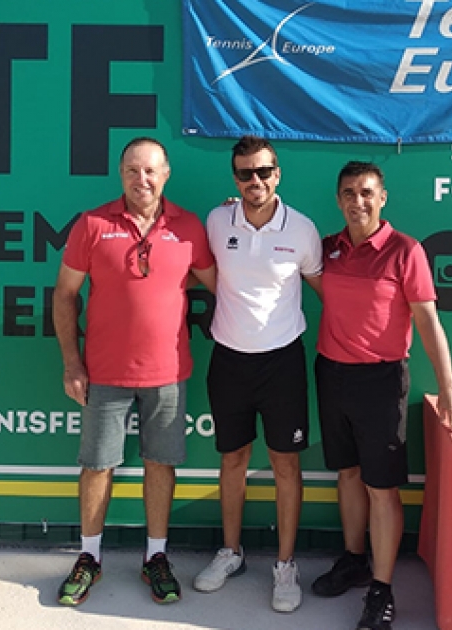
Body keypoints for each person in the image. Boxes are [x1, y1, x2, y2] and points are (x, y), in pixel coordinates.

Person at [53, 137, 216, 607]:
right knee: (97, 466)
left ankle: (156, 557)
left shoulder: (189, 228)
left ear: (166, 174)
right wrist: (71, 361)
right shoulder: (93, 224)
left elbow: (226, 284)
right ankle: (88, 557)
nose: (141, 180)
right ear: (120, 174)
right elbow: (65, 295)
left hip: (168, 373)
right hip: (103, 373)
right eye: (131, 171)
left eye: (150, 171)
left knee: (160, 465)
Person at [312, 161, 452, 630]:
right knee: (348, 473)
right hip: (330, 373)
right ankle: (355, 559)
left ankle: (382, 589)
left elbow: (427, 322)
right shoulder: (327, 249)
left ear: (383, 199)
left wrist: (450, 388)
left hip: (380, 382)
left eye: (366, 193)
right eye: (348, 193)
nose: (357, 202)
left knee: (382, 488)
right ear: (337, 200)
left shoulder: (405, 251)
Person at [193, 135, 322, 613]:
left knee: (286, 465)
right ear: (235, 178)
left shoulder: (303, 230)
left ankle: (286, 565)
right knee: (233, 459)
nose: (255, 181)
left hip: (282, 362)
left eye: (264, 171)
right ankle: (231, 552)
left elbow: (324, 290)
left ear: (278, 173)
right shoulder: (216, 219)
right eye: (245, 173)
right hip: (228, 359)